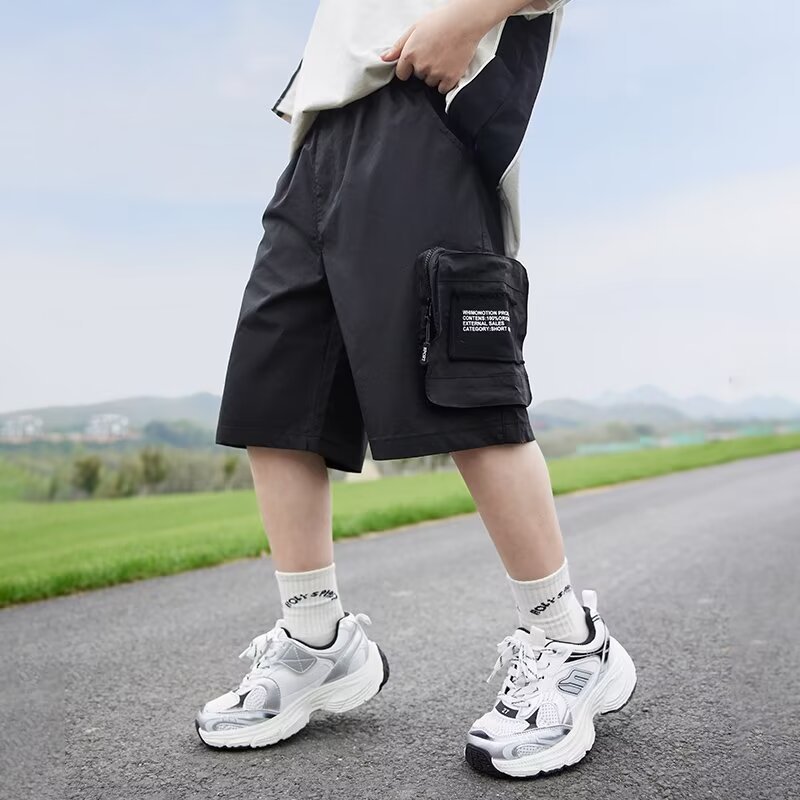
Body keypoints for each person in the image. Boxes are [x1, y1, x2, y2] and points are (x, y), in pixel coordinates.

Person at [195, 0, 637, 778]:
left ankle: (569, 642)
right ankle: (316, 641)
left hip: (426, 105)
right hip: (319, 133)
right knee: (277, 397)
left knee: (464, 391)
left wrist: (466, 20)